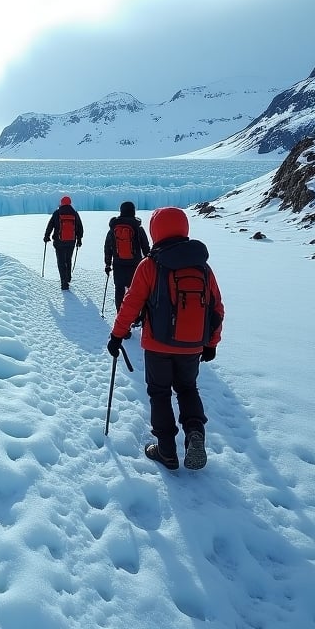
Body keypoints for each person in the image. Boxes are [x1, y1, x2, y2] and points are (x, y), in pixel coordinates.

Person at [107, 206, 224, 471]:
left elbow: (131, 304)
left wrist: (116, 335)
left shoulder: (150, 265)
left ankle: (166, 452)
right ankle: (194, 432)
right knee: (187, 388)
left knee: (159, 394)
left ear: (156, 230)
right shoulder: (203, 267)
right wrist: (211, 343)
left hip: (157, 344)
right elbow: (217, 308)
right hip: (192, 344)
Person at [103, 201, 150, 338]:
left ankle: (122, 325)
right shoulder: (137, 227)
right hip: (135, 265)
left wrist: (108, 264)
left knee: (119, 293)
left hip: (118, 265)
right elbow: (145, 247)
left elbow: (108, 247)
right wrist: (148, 262)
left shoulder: (113, 228)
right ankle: (136, 318)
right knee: (135, 294)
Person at [43, 195, 83, 291]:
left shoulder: (57, 213)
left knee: (61, 261)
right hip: (71, 241)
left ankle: (64, 282)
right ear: (70, 203)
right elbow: (80, 228)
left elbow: (50, 225)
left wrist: (46, 236)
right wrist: (79, 239)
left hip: (59, 242)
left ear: (61, 203)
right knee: (68, 259)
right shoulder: (74, 213)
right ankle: (68, 277)